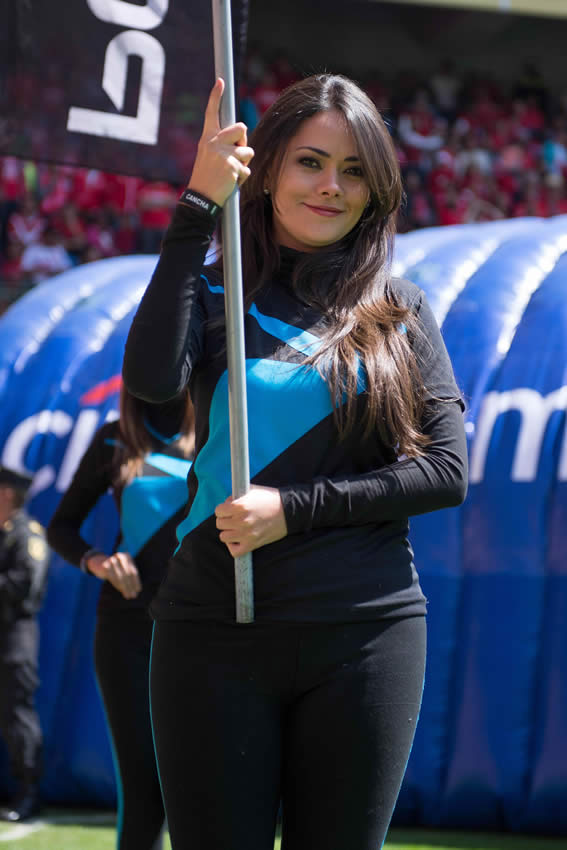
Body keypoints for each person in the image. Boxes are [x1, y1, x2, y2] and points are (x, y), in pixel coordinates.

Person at [122, 74, 468, 850]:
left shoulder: (400, 310)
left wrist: (293, 508)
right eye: (310, 162)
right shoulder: (213, 294)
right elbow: (150, 384)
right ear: (267, 168)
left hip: (363, 634)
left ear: (376, 188)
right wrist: (194, 210)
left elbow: (444, 472)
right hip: (213, 626)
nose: (330, 186)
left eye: (352, 170)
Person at [46, 386, 194, 850]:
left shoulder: (220, 432)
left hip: (204, 626)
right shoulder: (114, 438)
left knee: (203, 783)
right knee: (144, 786)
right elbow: (61, 526)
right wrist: (98, 562)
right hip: (127, 625)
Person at [0, 466, 49, 823]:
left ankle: (28, 793)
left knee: (17, 718)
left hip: (13, 640)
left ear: (6, 494)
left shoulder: (26, 534)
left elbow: (25, 587)